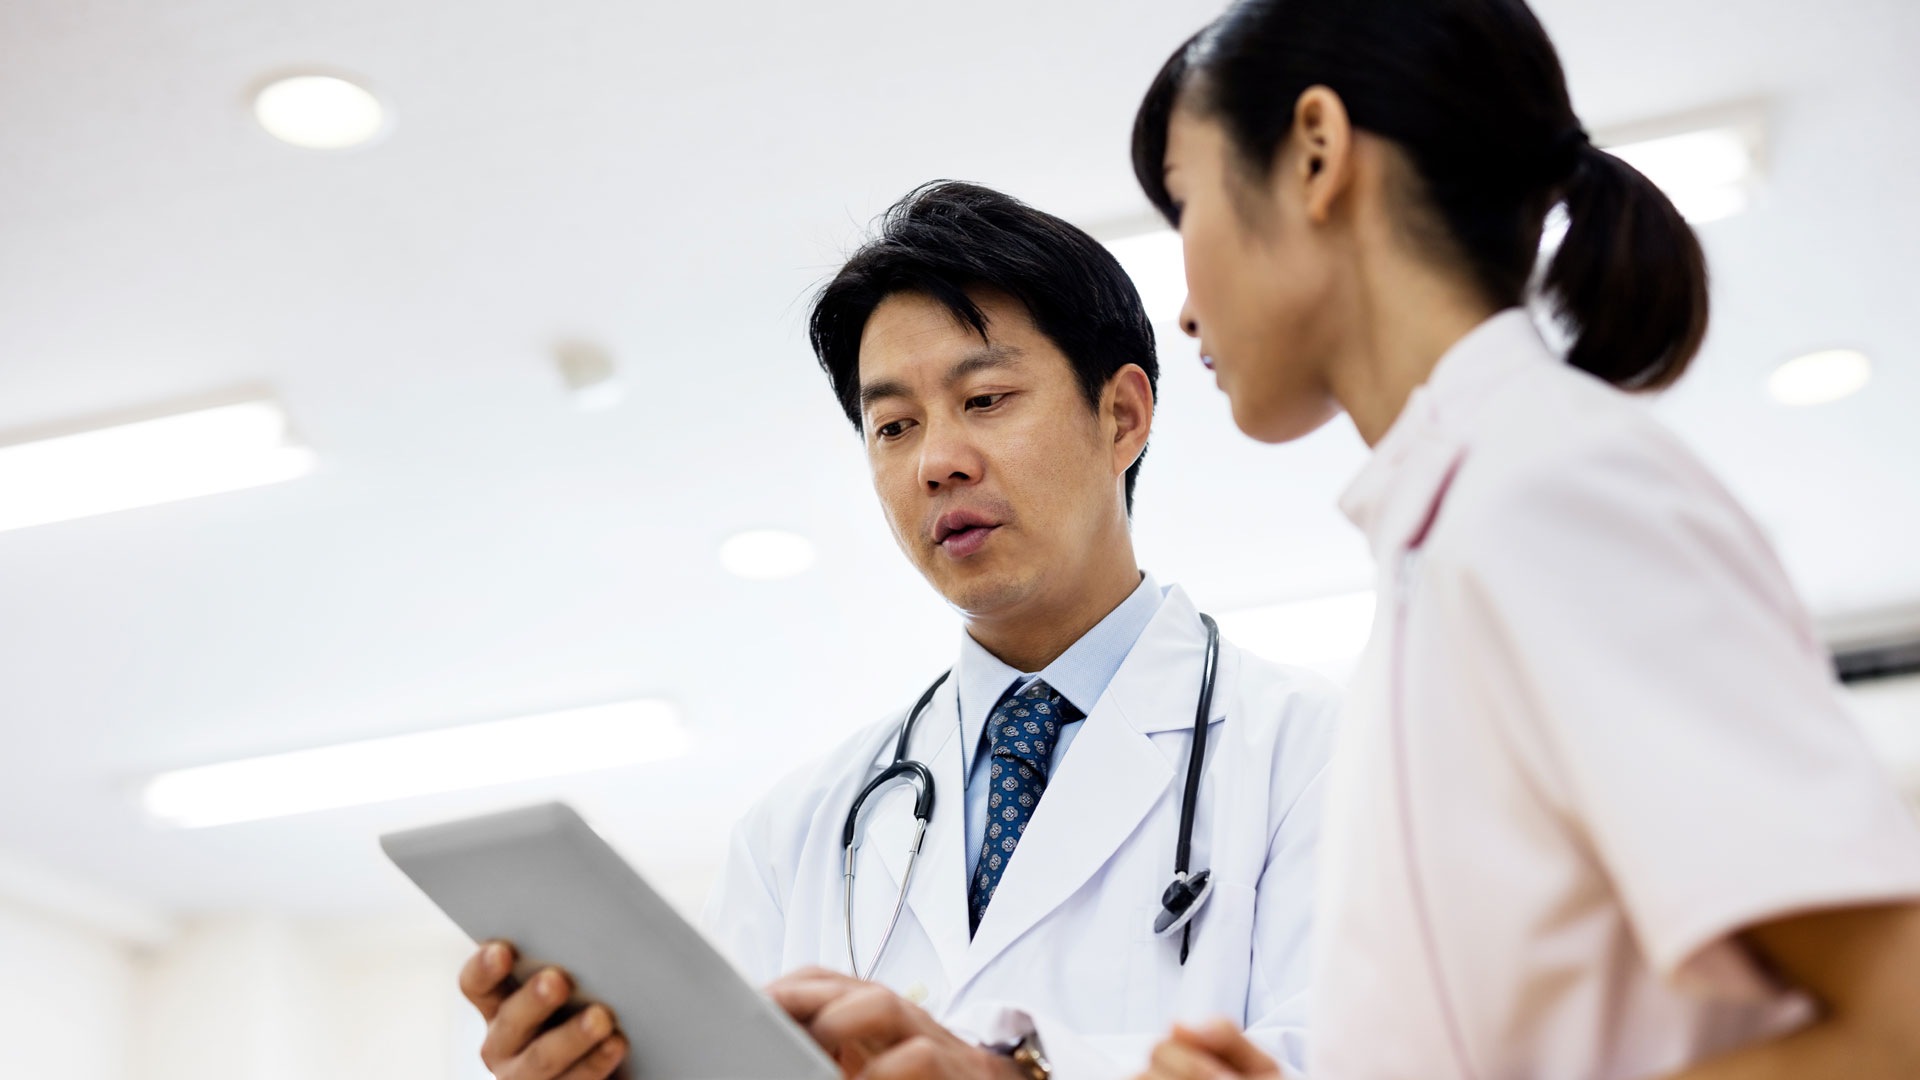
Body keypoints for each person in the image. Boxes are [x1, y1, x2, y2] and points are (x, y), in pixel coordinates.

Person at [1124, 2, 1920, 1078]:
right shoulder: (1457, 520)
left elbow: (1896, 1021)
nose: (1182, 307)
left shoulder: (1552, 489)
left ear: (1316, 152)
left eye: (1186, 202)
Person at [456, 181, 1342, 1080]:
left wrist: (1015, 1070)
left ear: (1122, 416)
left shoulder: (1317, 753)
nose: (936, 462)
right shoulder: (798, 832)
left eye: (987, 399)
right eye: (893, 425)